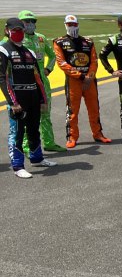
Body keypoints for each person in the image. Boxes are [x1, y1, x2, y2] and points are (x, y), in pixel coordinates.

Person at [1, 17, 57, 178]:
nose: (19, 33)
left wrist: (42, 100)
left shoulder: (29, 52)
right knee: (17, 133)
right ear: (7, 31)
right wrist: (13, 102)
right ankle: (18, 166)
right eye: (15, 30)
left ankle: (37, 158)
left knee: (33, 130)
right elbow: (2, 78)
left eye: (21, 30)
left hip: (33, 97)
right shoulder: (3, 50)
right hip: (17, 100)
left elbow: (38, 78)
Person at [54, 14, 112, 148]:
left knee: (94, 108)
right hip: (74, 81)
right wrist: (80, 76)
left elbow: (94, 61)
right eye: (69, 24)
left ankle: (98, 134)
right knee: (72, 110)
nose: (72, 27)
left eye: (74, 24)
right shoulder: (59, 42)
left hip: (90, 80)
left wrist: (89, 77)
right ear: (65, 25)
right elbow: (61, 63)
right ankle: (72, 137)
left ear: (78, 25)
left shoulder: (88, 42)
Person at [13, 10, 66, 152]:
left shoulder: (41, 38)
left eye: (32, 21)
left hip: (43, 83)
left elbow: (53, 55)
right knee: (26, 116)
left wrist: (48, 69)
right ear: (20, 23)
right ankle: (26, 146)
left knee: (46, 114)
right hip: (25, 84)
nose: (30, 24)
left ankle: (49, 142)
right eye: (26, 21)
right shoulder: (17, 40)